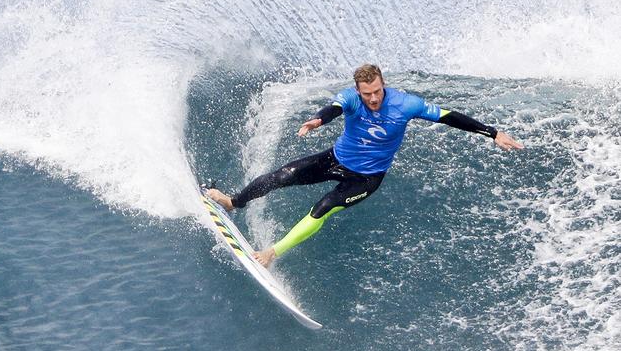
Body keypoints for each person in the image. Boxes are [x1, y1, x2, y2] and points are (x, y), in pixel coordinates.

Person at [208, 64, 523, 267]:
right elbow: (333, 108)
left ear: (383, 84)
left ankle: (271, 254)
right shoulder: (352, 98)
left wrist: (492, 133)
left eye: (377, 91)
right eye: (366, 93)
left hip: (365, 179)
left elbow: (449, 117)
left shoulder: (406, 104)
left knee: (323, 207)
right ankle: (234, 202)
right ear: (358, 90)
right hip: (335, 159)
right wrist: (318, 120)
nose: (373, 98)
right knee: (282, 175)